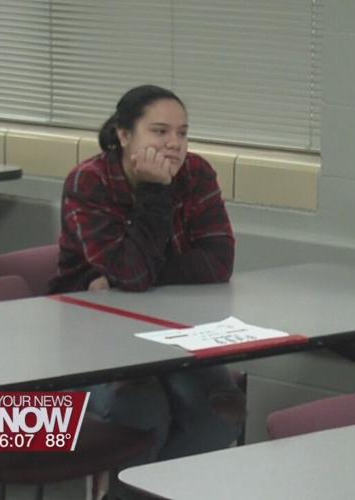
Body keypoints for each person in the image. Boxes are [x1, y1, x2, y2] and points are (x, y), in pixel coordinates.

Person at [50, 85, 244, 471]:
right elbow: (131, 273)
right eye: (160, 132)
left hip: (170, 330)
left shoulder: (196, 173)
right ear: (124, 136)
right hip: (89, 339)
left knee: (221, 408)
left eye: (182, 133)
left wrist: (130, 277)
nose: (174, 144)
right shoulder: (89, 181)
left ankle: (149, 491)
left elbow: (218, 263)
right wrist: (155, 191)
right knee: (143, 408)